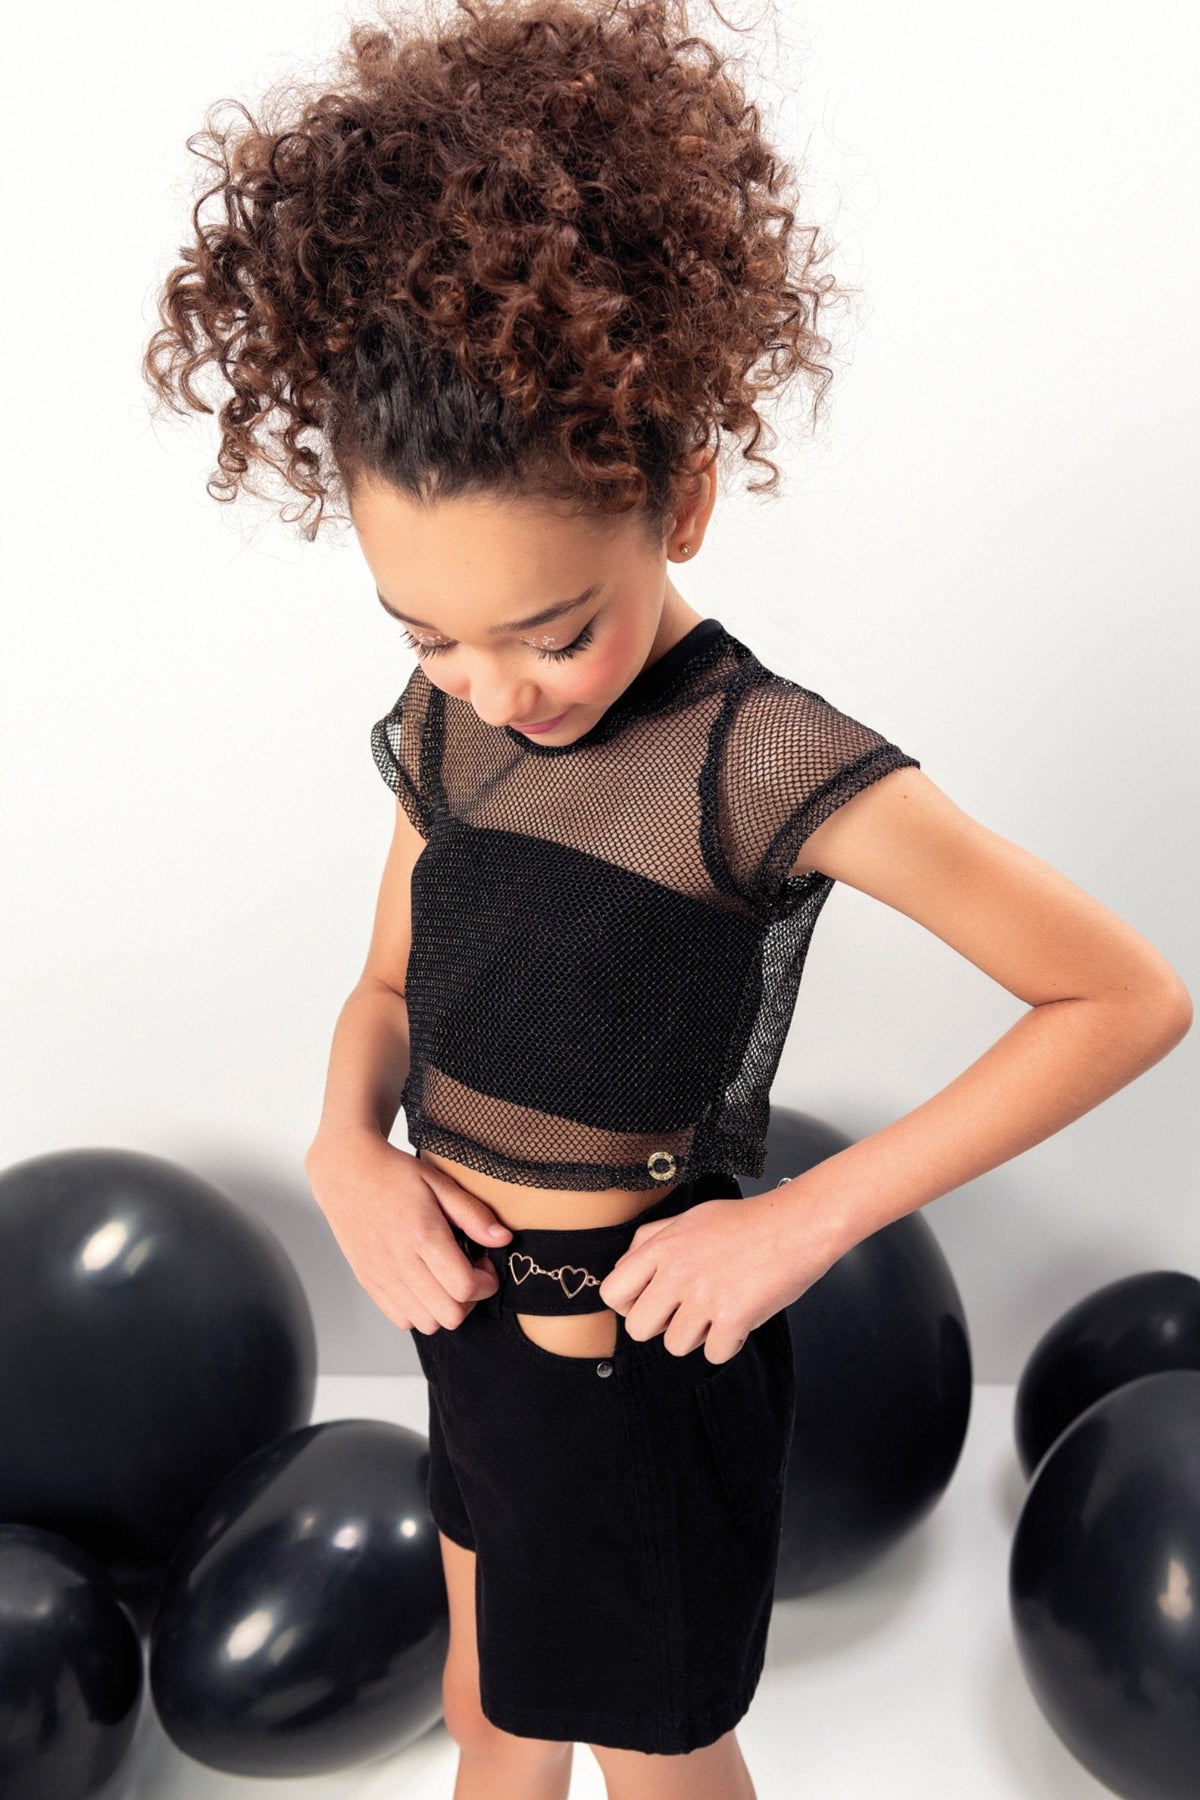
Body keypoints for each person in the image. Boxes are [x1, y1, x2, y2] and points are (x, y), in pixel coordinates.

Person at [141, 0, 1193, 1793]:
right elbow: (390, 990)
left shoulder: (756, 762)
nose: (497, 688)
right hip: (469, 1343)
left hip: (635, 1380)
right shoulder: (450, 725)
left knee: (655, 1764)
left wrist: (804, 1222)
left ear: (681, 495)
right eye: (430, 633)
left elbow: (1125, 997)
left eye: (554, 632)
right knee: (491, 1712)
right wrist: (344, 1149)